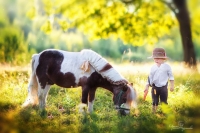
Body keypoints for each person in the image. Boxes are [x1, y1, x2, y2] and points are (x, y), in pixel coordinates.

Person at [144, 47, 174, 114]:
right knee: (154, 101)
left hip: (163, 87)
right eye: (154, 58)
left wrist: (172, 85)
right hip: (154, 87)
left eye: (158, 58)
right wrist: (146, 86)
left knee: (164, 101)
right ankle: (153, 113)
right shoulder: (153, 67)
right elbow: (150, 77)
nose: (156, 60)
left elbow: (171, 77)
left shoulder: (167, 67)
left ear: (163, 58)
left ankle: (165, 113)